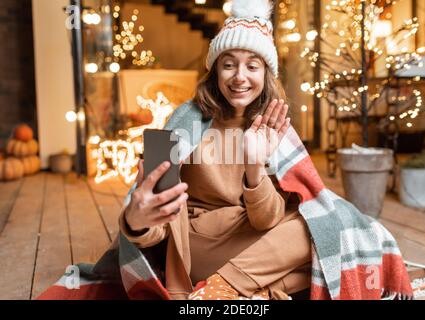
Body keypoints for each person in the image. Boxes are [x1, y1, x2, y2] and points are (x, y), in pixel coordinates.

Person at [119, 0, 313, 300]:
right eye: (229, 64)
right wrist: (136, 220)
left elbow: (267, 220)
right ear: (215, 70)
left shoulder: (273, 127)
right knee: (311, 245)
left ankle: (229, 291)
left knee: (319, 222)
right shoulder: (185, 121)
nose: (240, 77)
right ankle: (243, 286)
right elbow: (155, 214)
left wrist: (253, 166)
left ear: (265, 74)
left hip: (252, 237)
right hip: (199, 243)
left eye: (252, 65)